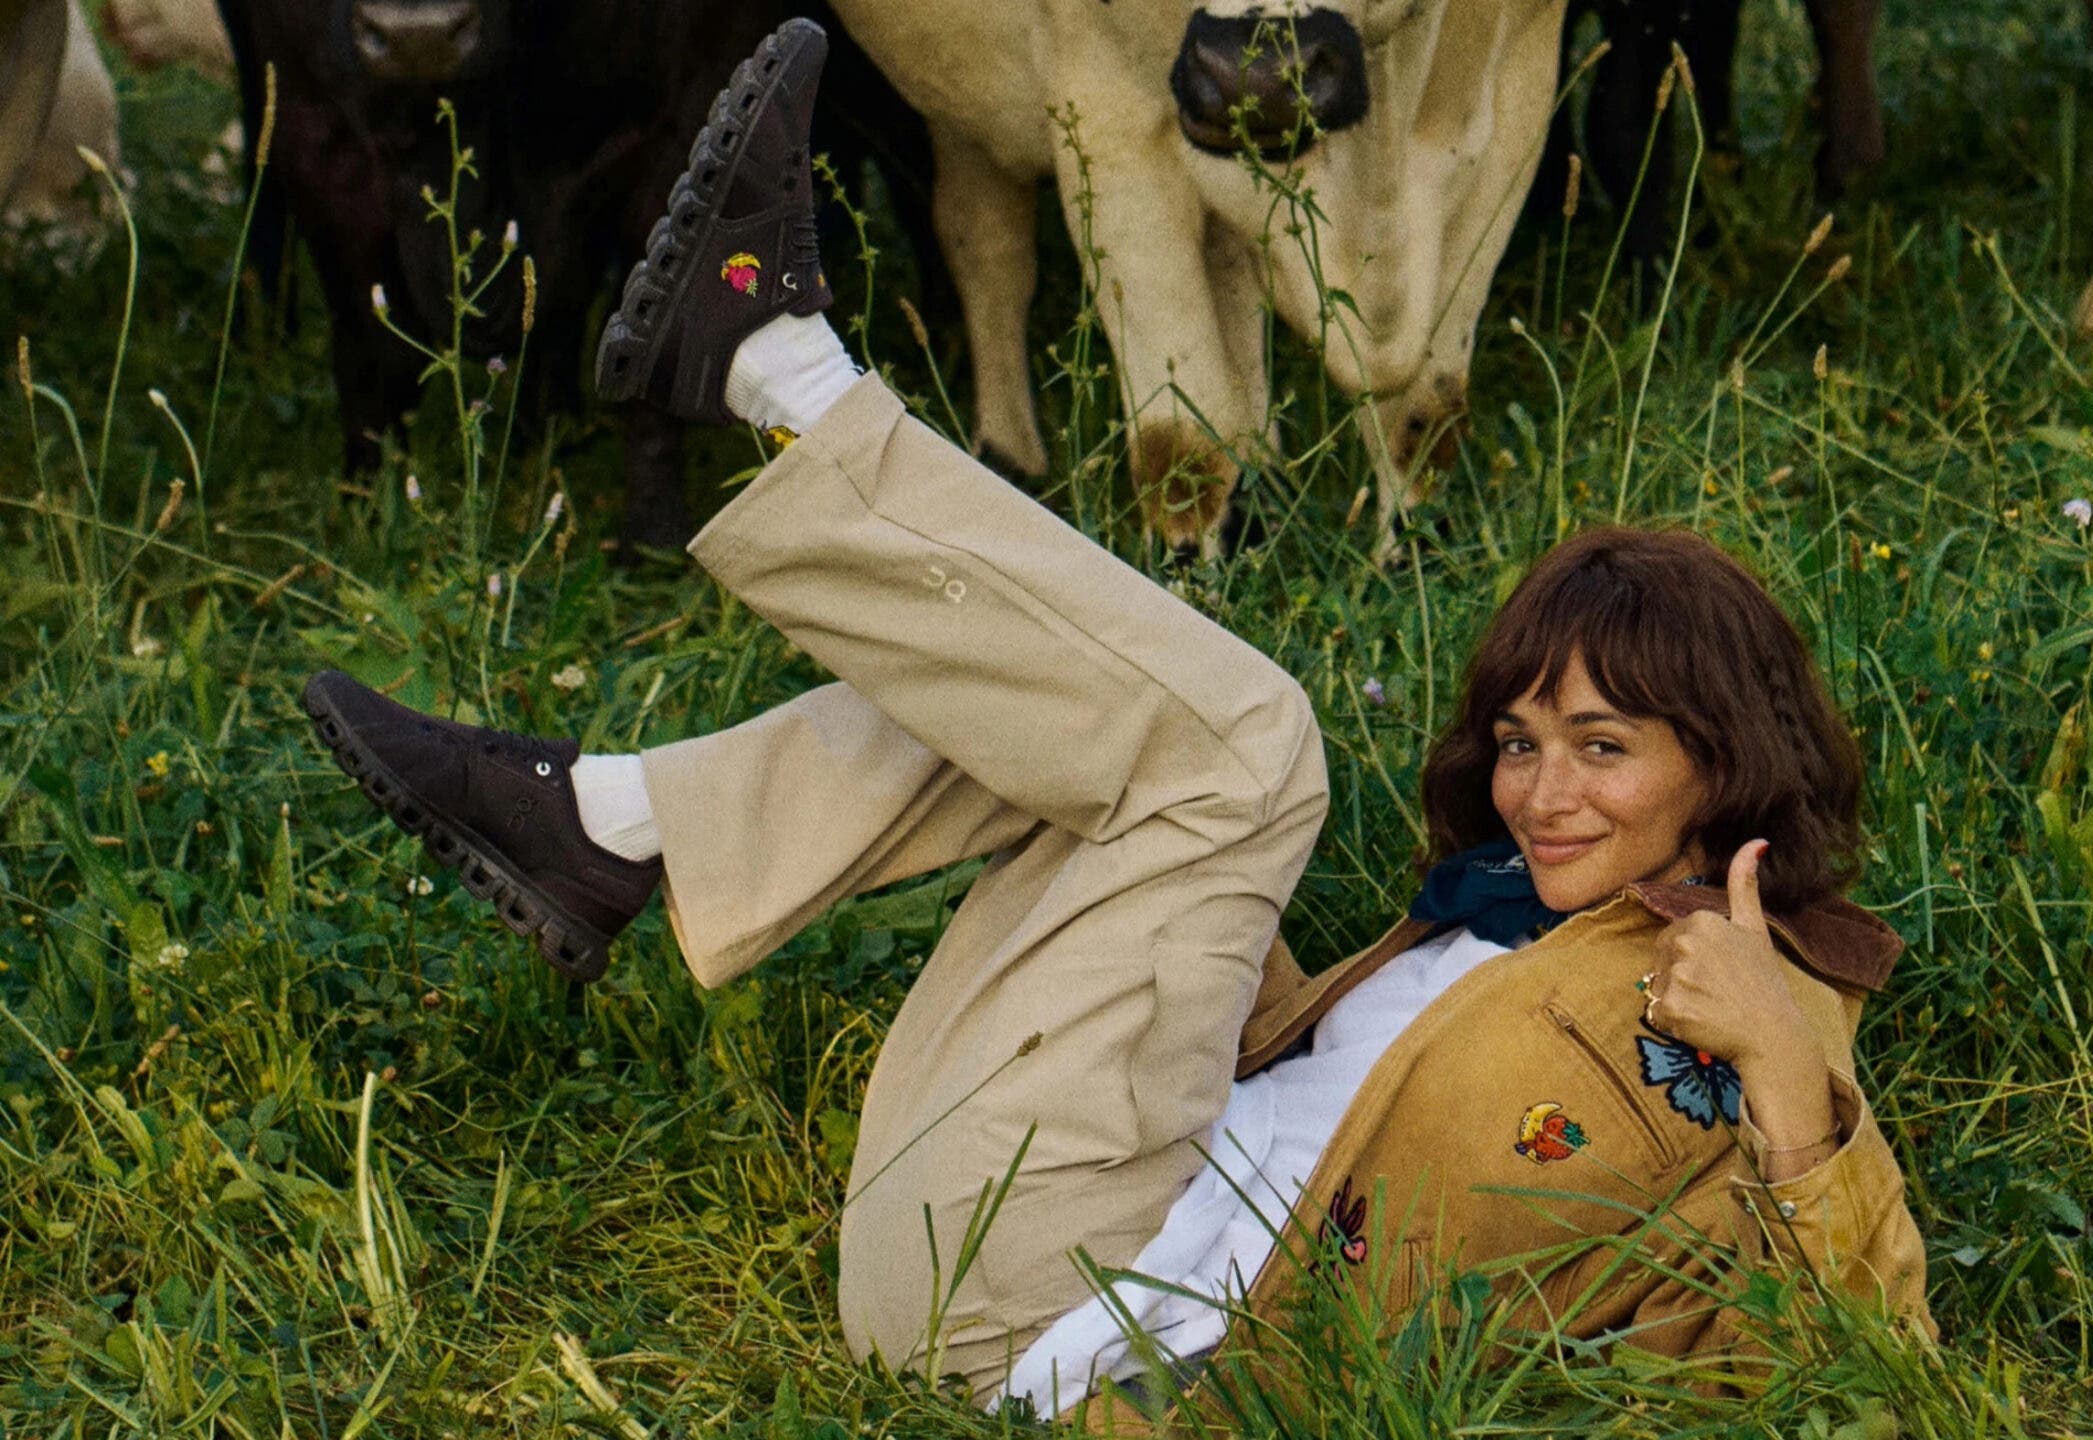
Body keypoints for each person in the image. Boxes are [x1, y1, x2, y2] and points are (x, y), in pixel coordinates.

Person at [301, 19, 1932, 1423]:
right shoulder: (1499, 934)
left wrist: (1793, 1089)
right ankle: (620, 820)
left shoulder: (1755, 1007)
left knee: (1241, 744)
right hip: (1019, 1208)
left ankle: (781, 387)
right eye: (1521, 740)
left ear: (1724, 766)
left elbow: (1879, 1374)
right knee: (1097, 723)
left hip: (1056, 1327)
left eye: (1604, 745)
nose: (1541, 793)